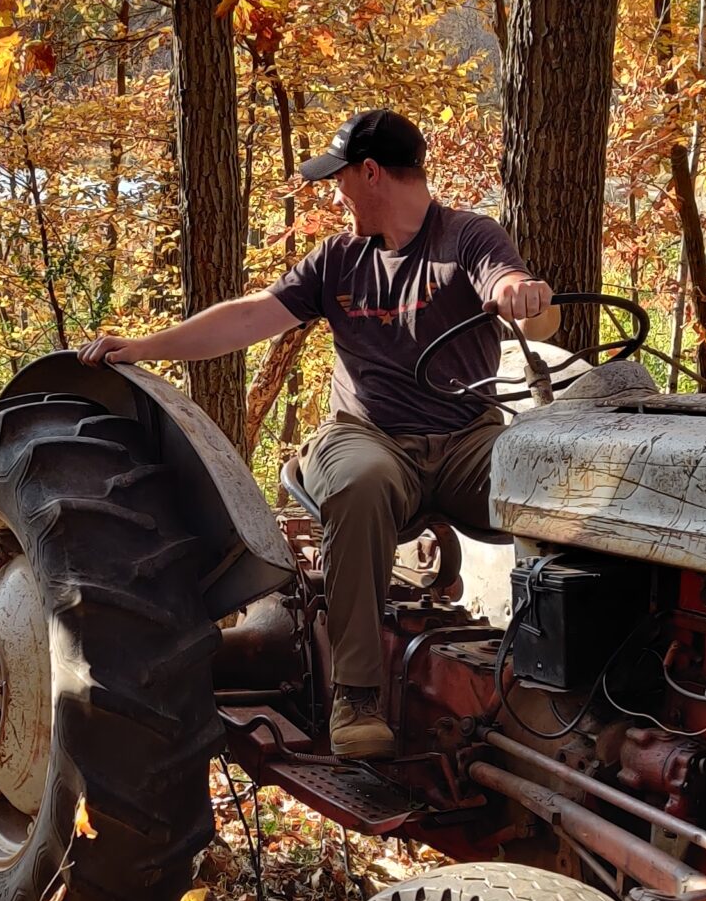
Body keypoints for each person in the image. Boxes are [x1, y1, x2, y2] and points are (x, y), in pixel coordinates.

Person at [80, 108, 553, 759]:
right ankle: (357, 697)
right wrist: (145, 346)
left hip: (466, 439)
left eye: (339, 180)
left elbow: (512, 288)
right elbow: (248, 318)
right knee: (359, 484)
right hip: (370, 436)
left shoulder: (467, 238)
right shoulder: (338, 260)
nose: (334, 195)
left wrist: (522, 295)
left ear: (370, 173)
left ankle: (569, 671)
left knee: (553, 479)